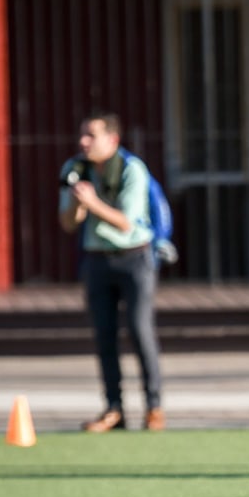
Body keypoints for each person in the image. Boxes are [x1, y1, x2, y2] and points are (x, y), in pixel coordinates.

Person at [57, 112, 165, 432]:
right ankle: (113, 408)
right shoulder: (74, 169)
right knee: (104, 335)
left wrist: (91, 202)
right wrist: (78, 205)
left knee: (139, 329)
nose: (83, 142)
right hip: (96, 260)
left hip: (135, 258)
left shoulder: (133, 169)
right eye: (82, 135)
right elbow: (67, 223)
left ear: (112, 140)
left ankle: (154, 406)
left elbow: (125, 222)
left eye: (91, 135)